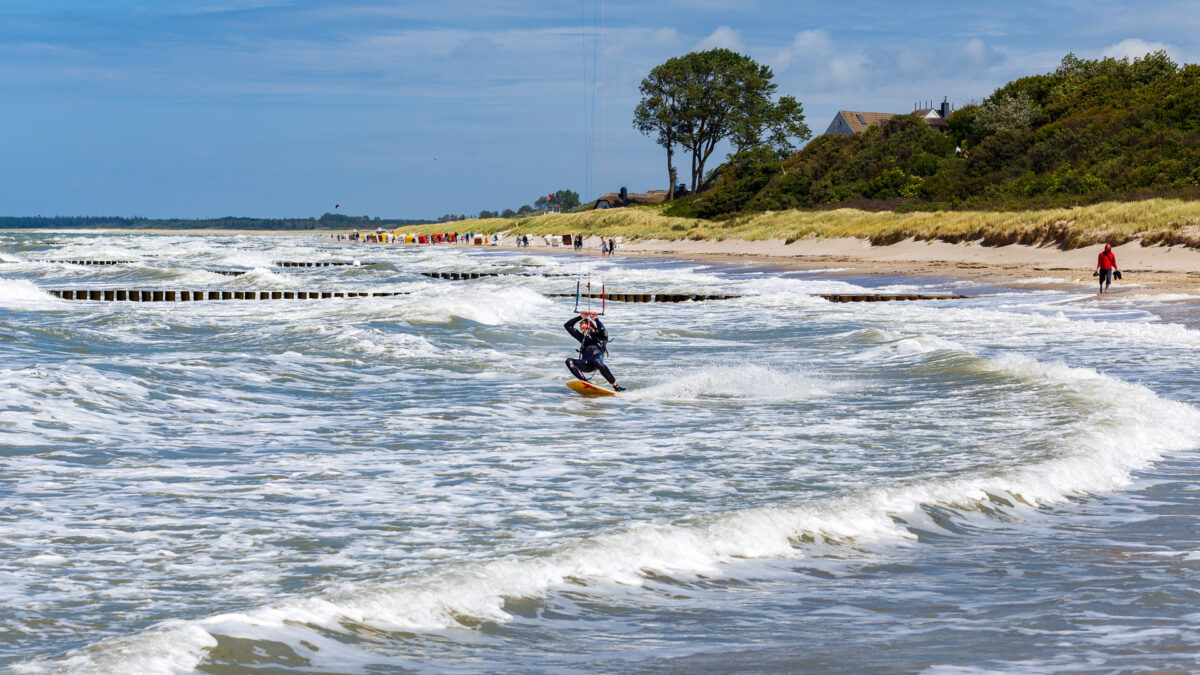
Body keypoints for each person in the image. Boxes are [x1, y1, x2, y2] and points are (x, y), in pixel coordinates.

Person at [564, 311, 625, 391]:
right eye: (581, 329)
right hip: (586, 364)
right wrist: (580, 317)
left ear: (590, 326)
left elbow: (603, 330)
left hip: (597, 361)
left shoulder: (600, 336)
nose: (582, 330)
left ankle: (616, 386)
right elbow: (567, 326)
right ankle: (585, 382)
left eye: (584, 328)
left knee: (596, 361)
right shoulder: (582, 337)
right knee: (569, 361)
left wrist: (596, 319)